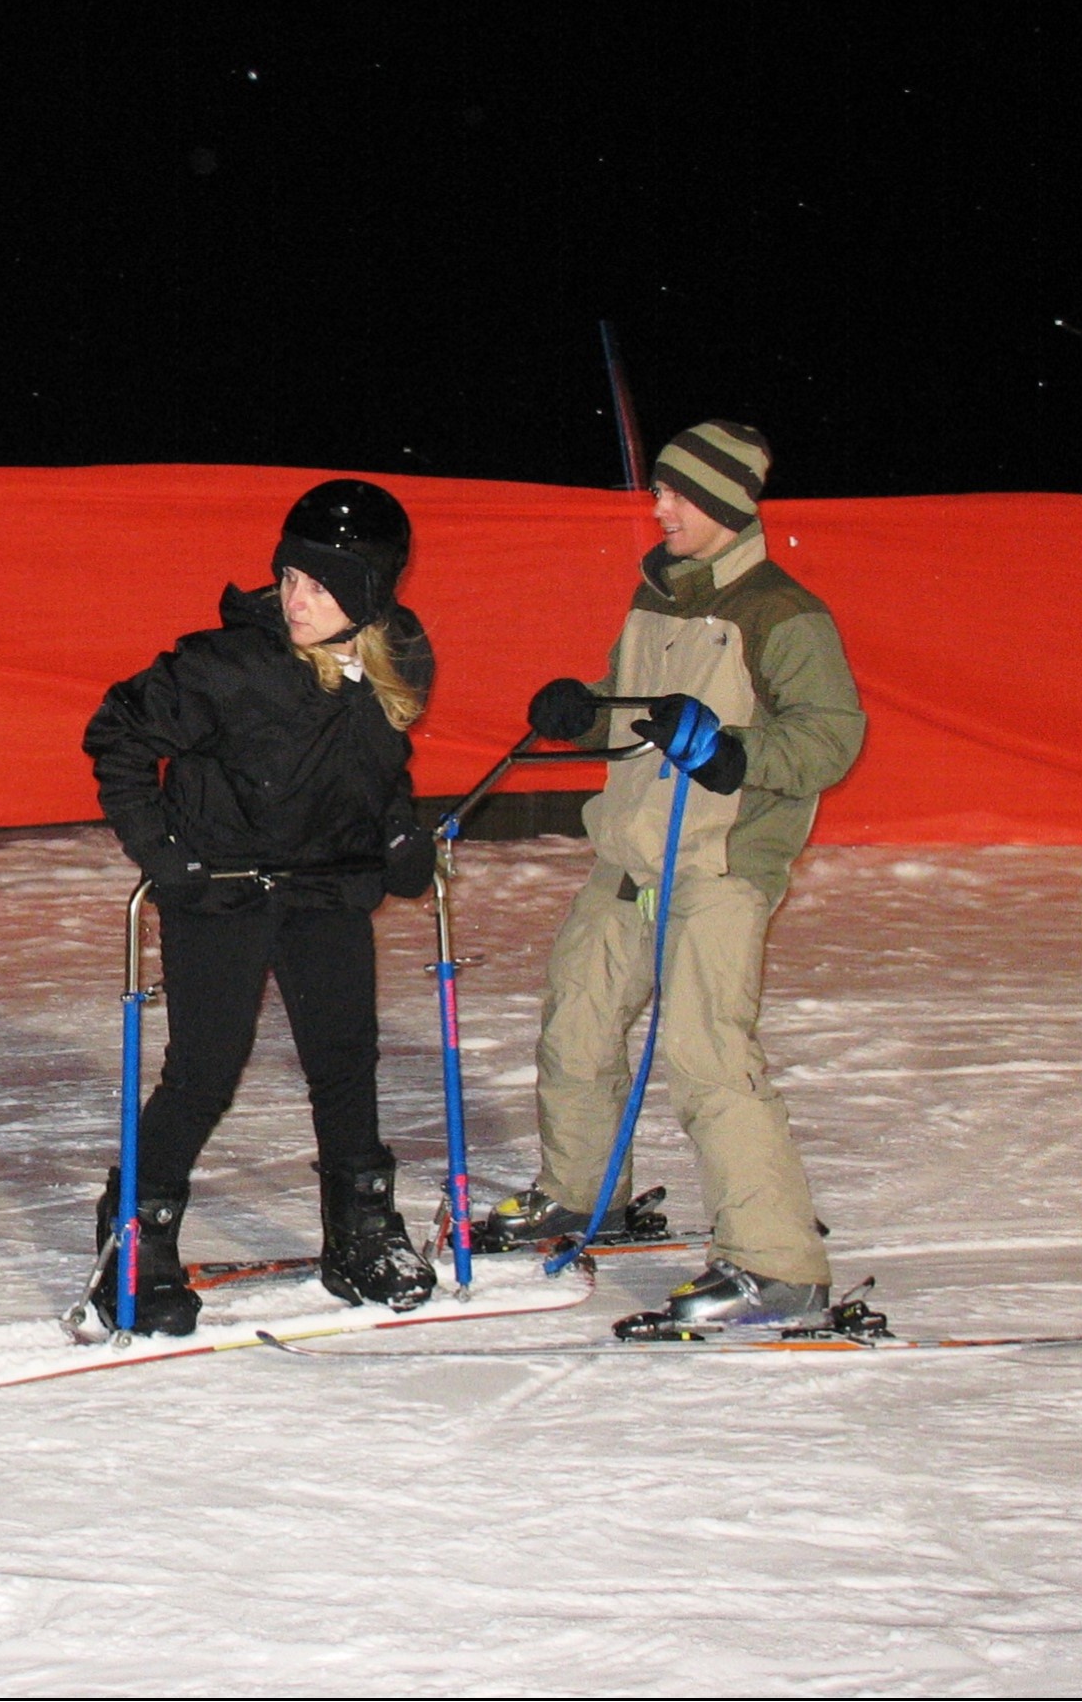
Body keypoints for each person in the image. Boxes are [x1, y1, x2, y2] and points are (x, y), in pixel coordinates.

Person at [485, 421, 866, 1325]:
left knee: (707, 1058)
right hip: (628, 855)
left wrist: (732, 752)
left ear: (729, 504)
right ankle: (582, 1195)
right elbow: (634, 720)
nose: (657, 507)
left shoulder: (782, 612)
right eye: (657, 489)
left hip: (718, 867)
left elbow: (831, 735)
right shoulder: (654, 597)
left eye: (677, 494)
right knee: (574, 1026)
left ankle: (775, 1265)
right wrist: (580, 713)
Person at [82, 480, 440, 1335]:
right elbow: (118, 731)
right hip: (225, 889)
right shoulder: (227, 665)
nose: (295, 600)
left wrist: (398, 832)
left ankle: (358, 1232)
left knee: (345, 1059)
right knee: (205, 1070)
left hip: (323, 888)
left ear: (367, 593)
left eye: (319, 586)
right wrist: (162, 850)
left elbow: (376, 769)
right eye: (288, 578)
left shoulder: (390, 664)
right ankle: (136, 1235)